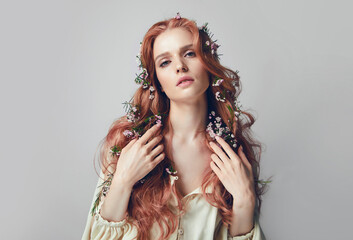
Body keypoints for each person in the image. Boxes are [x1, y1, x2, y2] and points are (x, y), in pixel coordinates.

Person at [82, 12, 269, 240]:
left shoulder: (231, 153)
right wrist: (123, 180)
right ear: (156, 80)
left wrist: (244, 200)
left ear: (208, 63)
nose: (180, 66)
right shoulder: (129, 145)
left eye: (189, 53)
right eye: (165, 62)